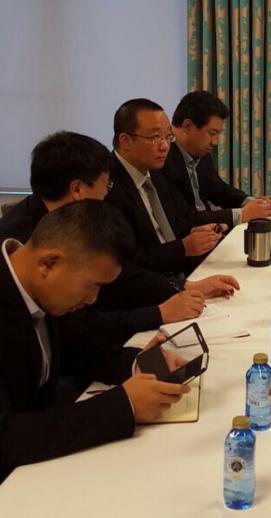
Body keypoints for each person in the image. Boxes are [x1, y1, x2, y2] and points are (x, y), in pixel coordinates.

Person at [0, 200, 192, 482]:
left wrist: (136, 364)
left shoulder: (41, 288)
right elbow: (5, 440)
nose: (93, 300)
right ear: (49, 263)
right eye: (93, 286)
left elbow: (77, 349)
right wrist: (124, 406)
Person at [0, 132, 240, 341]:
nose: (107, 195)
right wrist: (158, 314)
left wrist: (183, 286)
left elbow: (122, 272)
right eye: (105, 187)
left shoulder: (72, 218)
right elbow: (74, 329)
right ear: (77, 190)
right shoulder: (19, 246)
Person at [105, 98, 225, 276]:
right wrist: (182, 248)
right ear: (125, 141)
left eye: (168, 137)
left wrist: (195, 232)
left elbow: (172, 222)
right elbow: (125, 263)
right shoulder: (107, 186)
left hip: (179, 274)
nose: (165, 146)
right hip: (149, 287)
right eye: (155, 138)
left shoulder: (155, 171)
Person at [161, 90, 271, 226]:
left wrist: (251, 202)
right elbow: (185, 217)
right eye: (212, 133)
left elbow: (219, 190)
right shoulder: (162, 159)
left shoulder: (199, 151)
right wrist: (244, 214)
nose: (215, 142)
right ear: (188, 126)